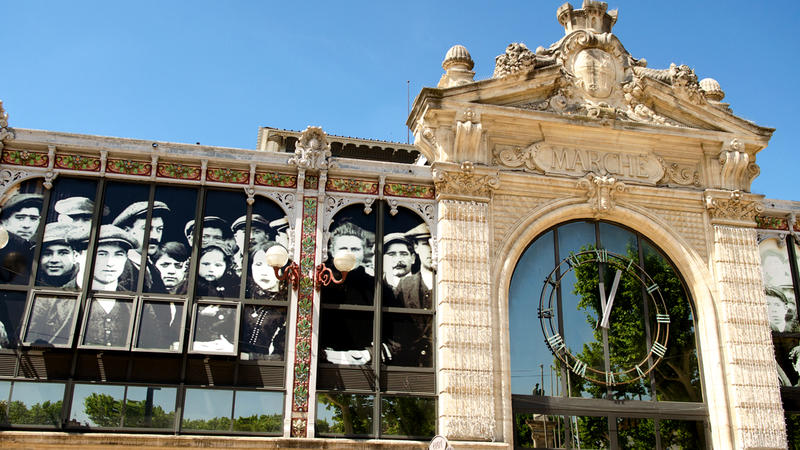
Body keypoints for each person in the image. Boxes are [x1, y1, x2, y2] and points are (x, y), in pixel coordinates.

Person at [113, 200, 170, 291]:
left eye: (159, 229)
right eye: (147, 229)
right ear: (127, 232)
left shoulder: (153, 269)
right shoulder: (117, 269)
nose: (155, 236)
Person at [0, 194, 42, 284]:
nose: (26, 225)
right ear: (4, 221)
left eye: (33, 219)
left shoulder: (35, 249)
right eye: (20, 218)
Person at [82, 225, 137, 291]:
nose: (110, 263)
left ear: (126, 258)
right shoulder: (68, 294)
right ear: (84, 255)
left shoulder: (129, 299)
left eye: (118, 255)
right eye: (102, 254)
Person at [394, 223, 434, 309]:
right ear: (416, 247)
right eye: (425, 244)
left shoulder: (448, 284)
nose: (431, 250)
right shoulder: (404, 285)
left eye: (435, 244)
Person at [37, 222, 80, 287]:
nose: (54, 260)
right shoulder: (31, 280)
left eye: (63, 253)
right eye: (47, 254)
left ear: (75, 256)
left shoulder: (82, 282)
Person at [382, 233, 415, 300]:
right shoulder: (374, 286)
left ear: (413, 258)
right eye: (392, 254)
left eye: (404, 254)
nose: (398, 259)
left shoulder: (422, 285)